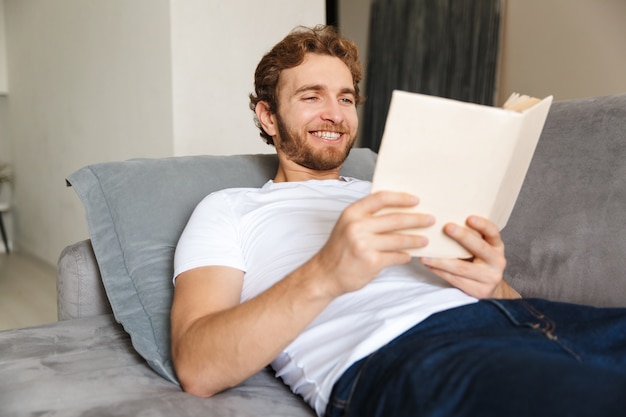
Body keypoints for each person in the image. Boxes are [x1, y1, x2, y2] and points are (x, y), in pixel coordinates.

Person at [171, 25, 626, 417]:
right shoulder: (229, 207)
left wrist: (494, 285)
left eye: (345, 98)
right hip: (412, 354)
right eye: (312, 96)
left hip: (528, 320)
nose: (334, 113)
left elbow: (500, 295)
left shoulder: (397, 188)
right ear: (268, 116)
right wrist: (326, 272)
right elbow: (197, 366)